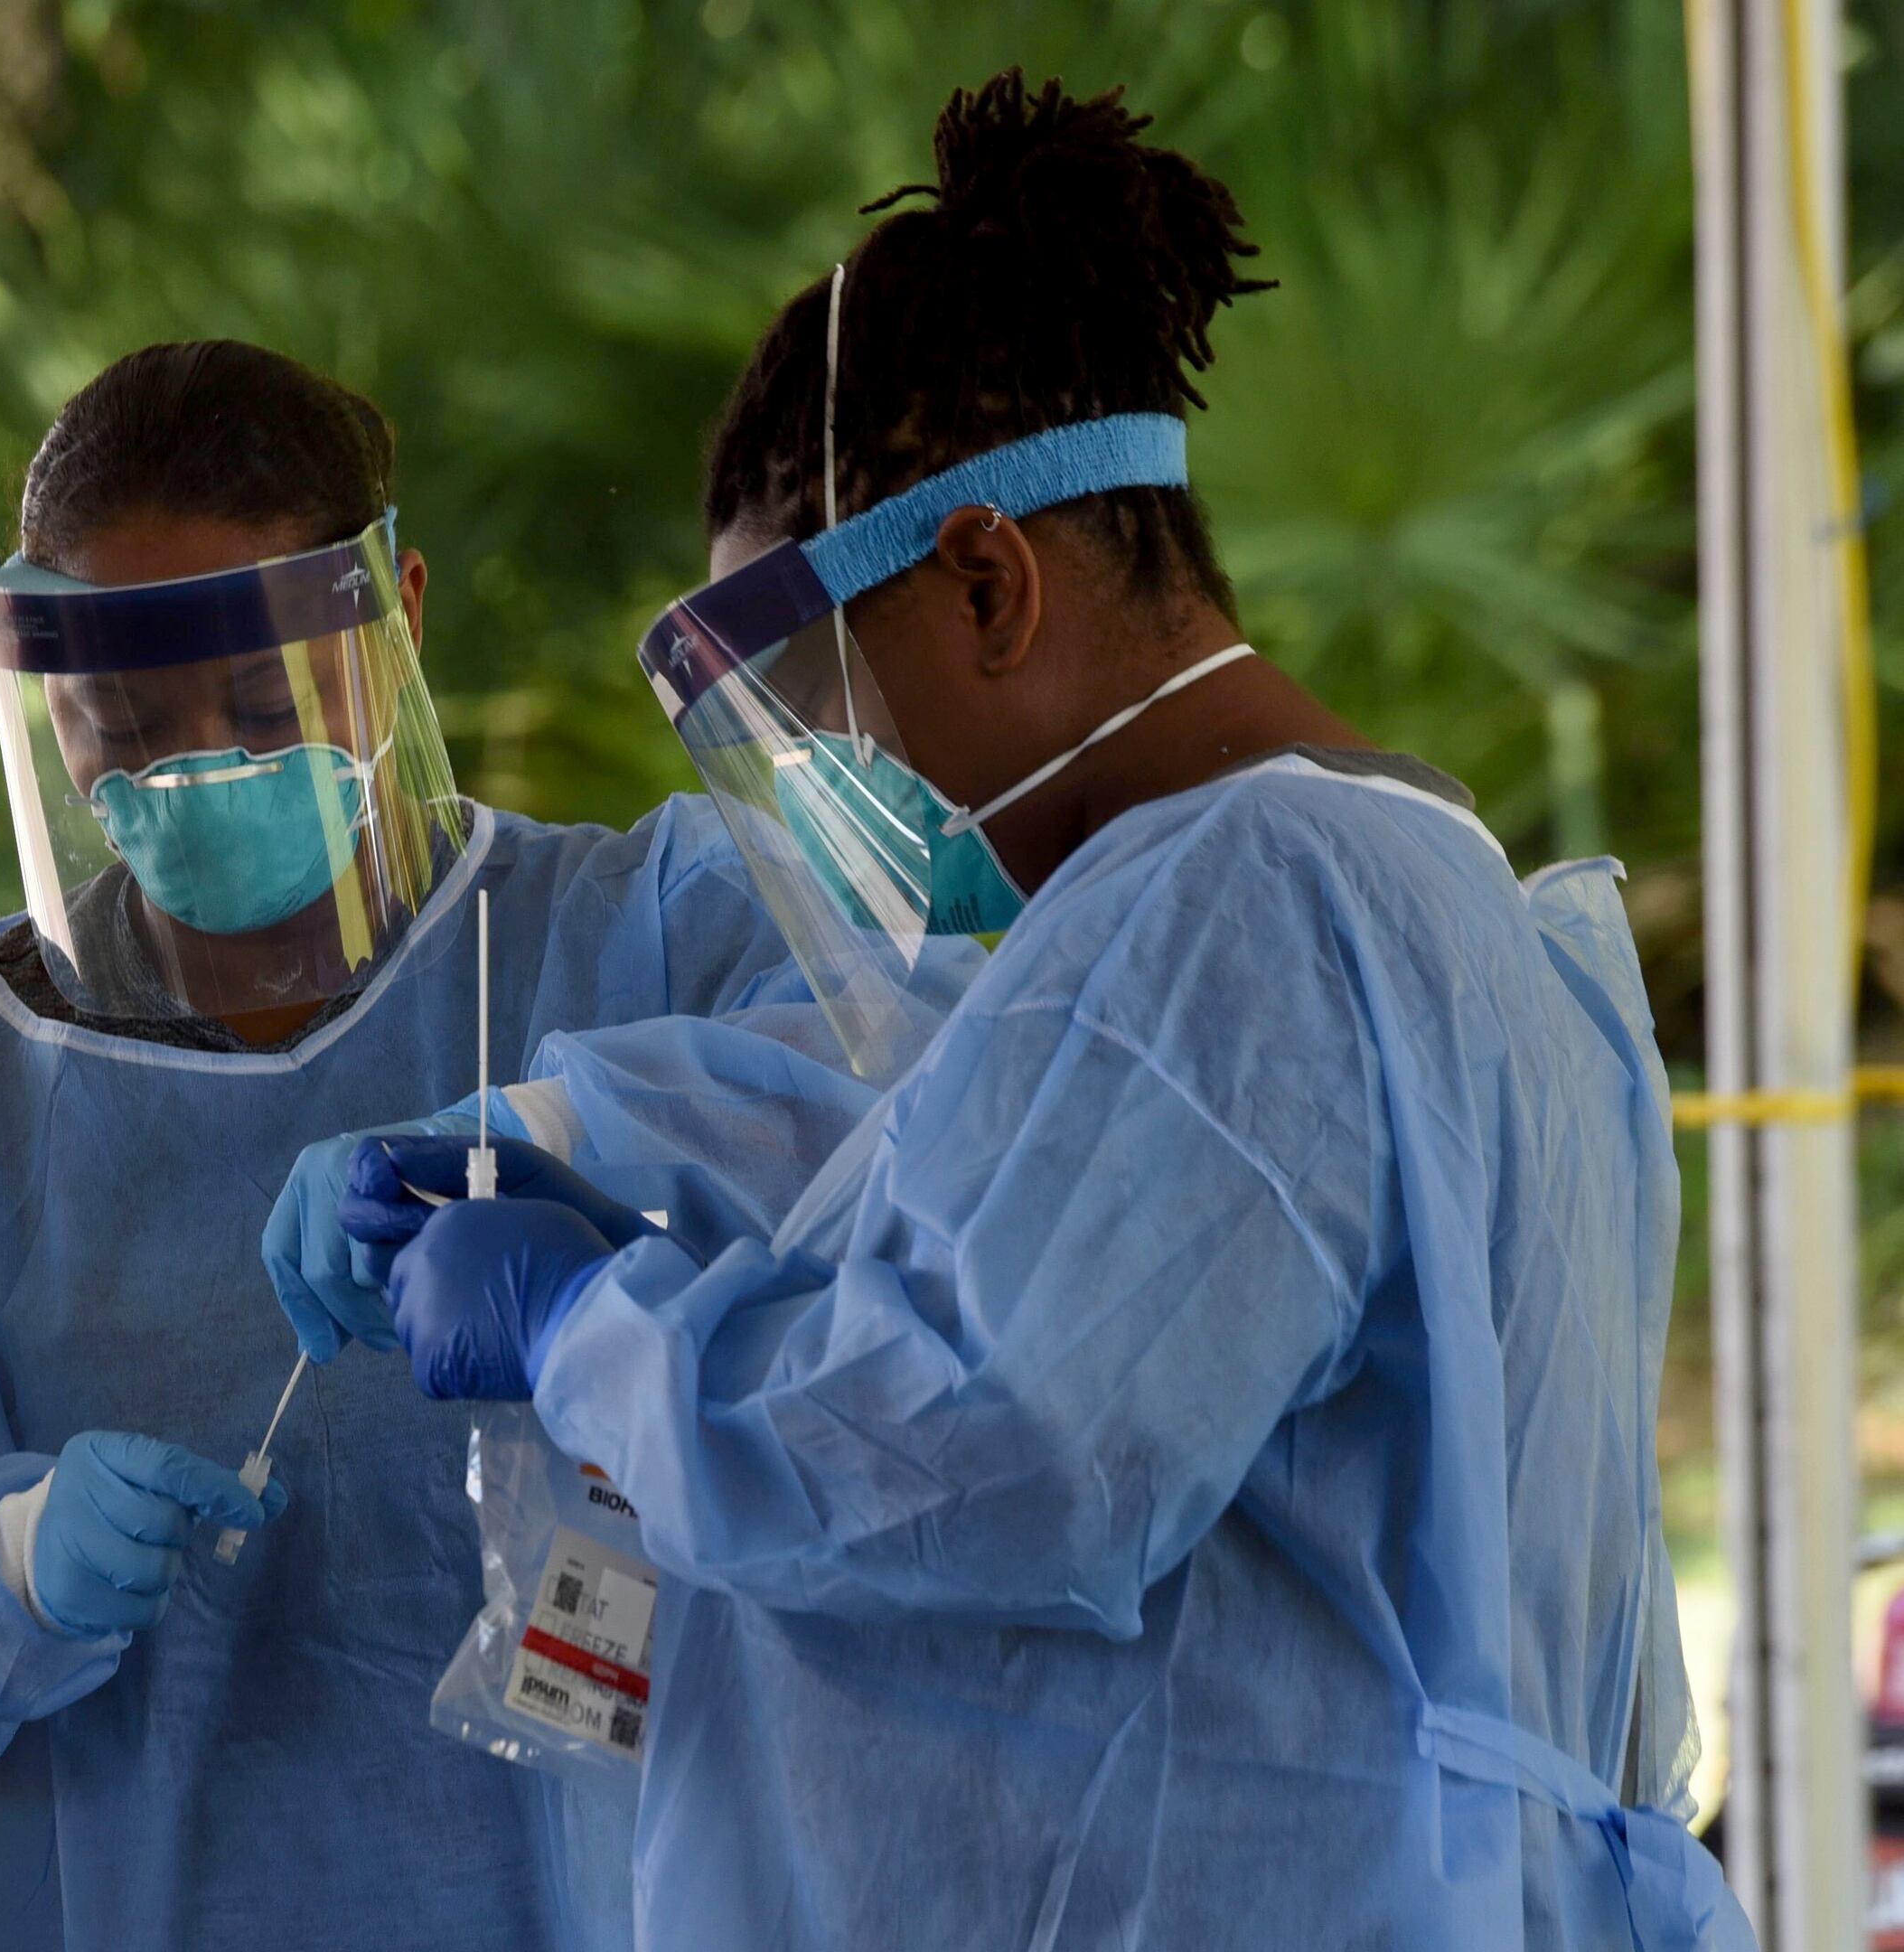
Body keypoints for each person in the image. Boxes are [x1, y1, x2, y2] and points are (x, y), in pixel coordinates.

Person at [311, 76, 1747, 1951]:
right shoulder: (1435, 897)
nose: (818, 782)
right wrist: (615, 1164)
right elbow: (1020, 1238)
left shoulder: (1244, 898)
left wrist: (595, 1328)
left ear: (988, 580)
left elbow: (982, 1452)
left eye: (814, 702)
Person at [0, 340, 822, 1952]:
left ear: (399, 620)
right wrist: (1, 1562)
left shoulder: (644, 940)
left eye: (262, 701)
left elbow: (910, 1104)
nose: (193, 764)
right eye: (121, 722)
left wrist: (564, 1127)